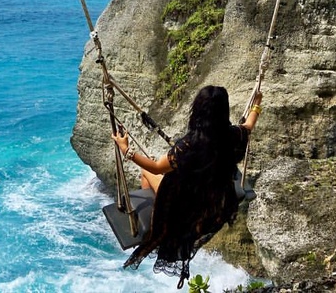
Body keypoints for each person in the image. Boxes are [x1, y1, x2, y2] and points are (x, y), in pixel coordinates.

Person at [112, 85, 262, 288]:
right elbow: (249, 125)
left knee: (146, 173)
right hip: (215, 201)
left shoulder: (189, 145)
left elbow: (156, 167)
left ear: (198, 111)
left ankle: (157, 223)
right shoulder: (234, 135)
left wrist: (126, 150)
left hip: (185, 205)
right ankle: (158, 218)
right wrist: (256, 105)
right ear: (224, 110)